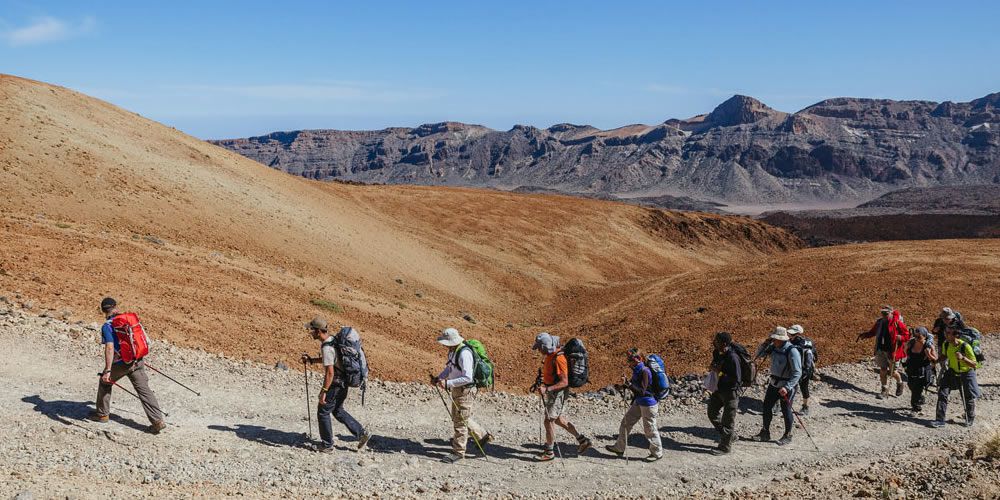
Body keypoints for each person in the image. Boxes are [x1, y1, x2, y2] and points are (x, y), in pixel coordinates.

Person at [89, 297, 166, 434]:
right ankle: (157, 421)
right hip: (137, 359)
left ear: (103, 311)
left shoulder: (107, 326)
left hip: (121, 364)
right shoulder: (128, 320)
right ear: (116, 307)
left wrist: (107, 370)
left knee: (105, 382)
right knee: (144, 390)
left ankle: (102, 414)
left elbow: (110, 348)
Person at [301, 317, 371, 453]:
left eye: (311, 330)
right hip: (344, 382)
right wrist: (312, 360)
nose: (310, 332)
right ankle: (361, 433)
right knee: (338, 410)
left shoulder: (326, 347)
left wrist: (324, 391)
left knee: (323, 411)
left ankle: (327, 445)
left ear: (318, 331)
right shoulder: (333, 340)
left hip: (335, 383)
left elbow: (330, 373)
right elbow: (332, 360)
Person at [433, 327, 492, 464]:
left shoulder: (464, 353)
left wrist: (447, 383)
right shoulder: (454, 351)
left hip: (465, 390)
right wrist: (439, 378)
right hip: (457, 389)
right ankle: (482, 436)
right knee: (459, 417)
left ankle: (458, 452)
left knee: (460, 421)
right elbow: (450, 368)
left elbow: (468, 377)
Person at [531, 332, 592, 461]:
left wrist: (547, 389)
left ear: (545, 346)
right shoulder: (550, 355)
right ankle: (583, 440)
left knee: (548, 420)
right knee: (558, 419)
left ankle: (549, 452)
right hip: (553, 391)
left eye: (539, 347)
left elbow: (564, 382)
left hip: (557, 393)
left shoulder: (559, 359)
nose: (539, 350)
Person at [605, 348, 663, 462]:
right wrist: (623, 385)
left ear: (639, 359)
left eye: (631, 359)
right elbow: (633, 386)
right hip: (639, 402)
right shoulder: (637, 370)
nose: (629, 361)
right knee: (625, 423)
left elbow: (641, 391)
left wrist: (629, 384)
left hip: (648, 404)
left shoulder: (645, 371)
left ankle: (657, 453)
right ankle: (619, 447)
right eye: (629, 359)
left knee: (649, 429)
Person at [749, 327, 801, 445]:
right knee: (766, 407)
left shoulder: (792, 351)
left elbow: (797, 372)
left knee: (786, 410)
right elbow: (759, 355)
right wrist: (765, 343)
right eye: (773, 338)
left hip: (786, 386)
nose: (774, 340)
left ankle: (788, 435)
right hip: (774, 384)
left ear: (782, 339)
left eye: (776, 339)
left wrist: (787, 387)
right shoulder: (773, 347)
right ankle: (765, 433)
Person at [932, 325, 980, 428]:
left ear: (956, 335)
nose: (946, 334)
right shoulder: (946, 344)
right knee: (942, 393)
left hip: (966, 374)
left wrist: (963, 358)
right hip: (952, 372)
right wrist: (936, 361)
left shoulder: (965, 346)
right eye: (946, 332)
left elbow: (974, 364)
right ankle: (940, 420)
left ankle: (970, 418)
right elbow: (945, 356)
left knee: (967, 397)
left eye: (948, 333)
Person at [857, 305, 909, 399]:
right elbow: (873, 332)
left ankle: (900, 383)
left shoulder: (897, 322)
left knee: (893, 372)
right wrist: (865, 335)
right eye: (882, 313)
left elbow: (907, 335)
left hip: (893, 351)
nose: (884, 315)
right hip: (881, 349)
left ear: (891, 313)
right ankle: (884, 390)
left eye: (886, 313)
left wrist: (900, 337)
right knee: (883, 369)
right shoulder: (880, 322)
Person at [707, 331, 741, 455]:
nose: (714, 343)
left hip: (730, 393)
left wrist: (720, 373)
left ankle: (725, 447)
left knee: (728, 421)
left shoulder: (733, 357)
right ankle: (729, 436)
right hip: (719, 389)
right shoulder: (717, 353)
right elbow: (716, 366)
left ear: (724, 343)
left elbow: (736, 379)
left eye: (717, 341)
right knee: (712, 413)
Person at [903, 326, 938, 413]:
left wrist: (929, 355)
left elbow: (936, 360)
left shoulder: (928, 346)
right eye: (915, 336)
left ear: (925, 336)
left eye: (919, 337)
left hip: (922, 371)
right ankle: (920, 398)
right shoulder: (911, 343)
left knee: (916, 389)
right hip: (911, 369)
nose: (916, 338)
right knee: (911, 385)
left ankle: (915, 407)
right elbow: (906, 352)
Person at [786, 324, 817, 416]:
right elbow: (815, 356)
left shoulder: (792, 343)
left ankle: (781, 405)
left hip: (795, 369)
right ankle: (805, 406)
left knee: (786, 385)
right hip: (807, 370)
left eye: (792, 334)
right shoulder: (809, 342)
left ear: (798, 334)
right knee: (804, 387)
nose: (790, 336)